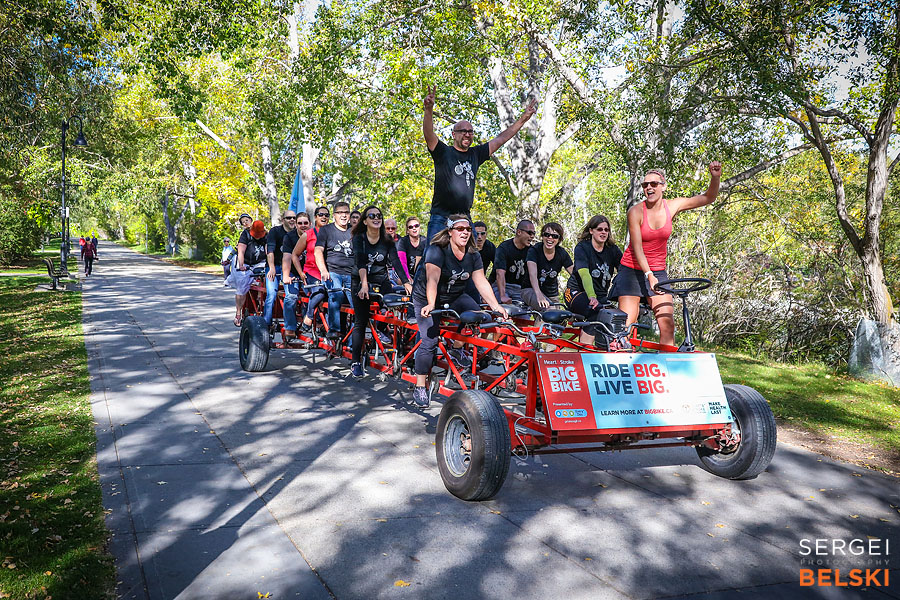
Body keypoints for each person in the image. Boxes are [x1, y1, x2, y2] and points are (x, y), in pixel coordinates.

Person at [609, 162, 722, 346]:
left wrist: (715, 177)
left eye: (654, 184)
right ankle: (620, 363)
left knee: (667, 325)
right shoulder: (635, 212)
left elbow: (708, 198)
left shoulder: (673, 206)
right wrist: (649, 275)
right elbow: (636, 248)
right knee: (626, 327)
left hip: (657, 271)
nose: (649, 188)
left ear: (663, 186)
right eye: (645, 185)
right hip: (632, 270)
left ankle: (664, 369)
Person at [411, 214, 508, 407]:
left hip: (454, 296)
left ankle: (455, 350)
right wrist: (431, 304)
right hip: (427, 297)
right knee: (430, 340)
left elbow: (480, 281)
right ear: (450, 232)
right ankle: (420, 385)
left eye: (467, 229)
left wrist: (496, 306)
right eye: (460, 229)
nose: (465, 232)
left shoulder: (473, 254)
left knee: (479, 315)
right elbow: (432, 280)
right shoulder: (437, 250)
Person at [422, 85, 536, 242]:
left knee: (473, 254)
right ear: (454, 134)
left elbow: (501, 139)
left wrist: (523, 119)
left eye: (471, 131)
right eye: (463, 131)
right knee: (432, 256)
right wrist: (428, 110)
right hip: (441, 216)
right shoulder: (443, 152)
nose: (468, 134)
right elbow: (429, 134)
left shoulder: (476, 154)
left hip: (464, 216)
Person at [349, 206, 412, 378]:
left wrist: (407, 282)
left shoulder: (387, 240)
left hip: (381, 280)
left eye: (379, 216)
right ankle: (355, 362)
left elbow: (396, 263)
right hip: (360, 280)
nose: (376, 218)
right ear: (365, 221)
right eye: (372, 216)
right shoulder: (359, 238)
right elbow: (360, 262)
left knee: (392, 303)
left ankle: (382, 328)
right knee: (361, 321)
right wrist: (363, 285)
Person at [564, 215, 623, 344]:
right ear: (591, 231)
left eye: (606, 230)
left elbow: (624, 271)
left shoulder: (612, 250)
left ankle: (607, 349)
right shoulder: (582, 248)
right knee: (595, 312)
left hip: (601, 296)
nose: (603, 232)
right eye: (599, 229)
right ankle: (585, 352)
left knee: (617, 317)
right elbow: (585, 274)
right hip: (576, 292)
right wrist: (592, 296)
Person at [314, 201, 355, 340]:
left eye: (346, 212)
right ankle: (334, 329)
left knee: (358, 303)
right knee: (336, 295)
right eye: (340, 212)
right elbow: (318, 251)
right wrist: (323, 270)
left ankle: (353, 338)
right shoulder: (326, 230)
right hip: (333, 271)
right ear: (335, 215)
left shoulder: (354, 230)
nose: (344, 215)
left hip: (351, 273)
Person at [523, 222, 573, 310]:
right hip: (531, 290)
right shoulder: (534, 251)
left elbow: (575, 273)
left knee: (561, 318)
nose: (550, 238)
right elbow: (533, 275)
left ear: (559, 239)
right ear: (542, 236)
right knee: (548, 310)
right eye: (547, 235)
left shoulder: (562, 253)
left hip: (552, 294)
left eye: (554, 236)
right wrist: (539, 295)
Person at [227, 220, 267, 327]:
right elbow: (241, 252)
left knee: (266, 276)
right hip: (245, 262)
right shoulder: (245, 234)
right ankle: (238, 312)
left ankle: (261, 302)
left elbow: (269, 251)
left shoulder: (266, 235)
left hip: (260, 262)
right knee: (242, 285)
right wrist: (241, 265)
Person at [263, 210, 297, 327]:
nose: (292, 220)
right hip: (275, 266)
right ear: (283, 220)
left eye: (294, 217)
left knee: (291, 295)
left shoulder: (298, 233)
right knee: (271, 294)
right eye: (289, 218)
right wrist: (271, 268)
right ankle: (266, 324)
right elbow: (270, 250)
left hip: (289, 268)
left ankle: (291, 325)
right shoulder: (275, 231)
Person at [281, 214, 310, 340]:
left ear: (310, 223)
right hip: (292, 271)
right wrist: (286, 275)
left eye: (305, 223)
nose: (303, 226)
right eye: (300, 223)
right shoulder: (289, 237)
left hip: (308, 272)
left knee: (316, 296)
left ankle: (312, 322)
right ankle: (290, 327)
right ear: (296, 225)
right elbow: (287, 257)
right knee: (291, 297)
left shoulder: (314, 235)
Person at [492, 220, 535, 304]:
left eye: (534, 233)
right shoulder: (504, 248)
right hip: (502, 286)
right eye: (529, 233)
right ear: (519, 232)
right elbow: (500, 273)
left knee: (522, 314)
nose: (532, 236)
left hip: (520, 289)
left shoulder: (532, 251)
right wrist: (503, 295)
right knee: (502, 309)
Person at [396, 216, 423, 281]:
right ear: (407, 230)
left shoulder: (425, 241)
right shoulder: (403, 241)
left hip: (420, 274)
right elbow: (402, 262)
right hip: (404, 273)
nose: (414, 228)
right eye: (411, 227)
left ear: (420, 228)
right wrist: (407, 278)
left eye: (416, 226)